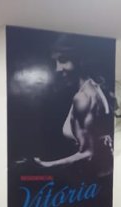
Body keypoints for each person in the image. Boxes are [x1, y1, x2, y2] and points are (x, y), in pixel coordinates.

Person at [32, 35, 113, 178]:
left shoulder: (83, 98)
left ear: (80, 60)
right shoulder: (95, 88)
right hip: (100, 176)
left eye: (63, 60)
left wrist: (47, 166)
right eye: (56, 62)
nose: (57, 68)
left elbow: (88, 153)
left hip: (93, 179)